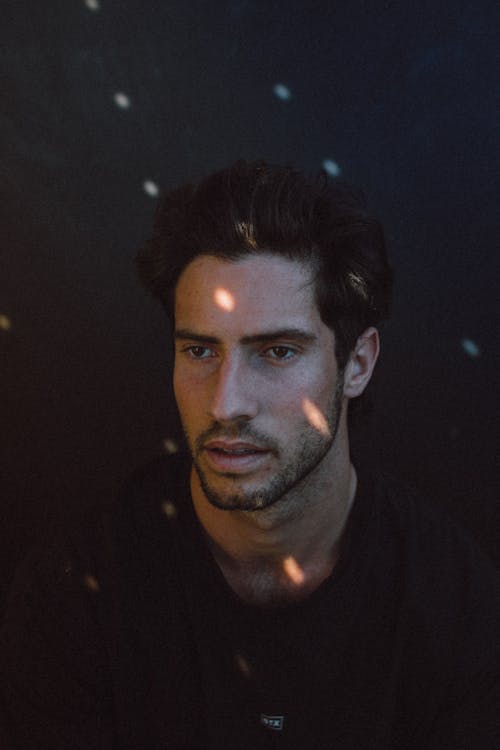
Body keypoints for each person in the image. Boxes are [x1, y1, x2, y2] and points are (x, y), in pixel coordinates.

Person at [1, 160, 499, 749]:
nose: (226, 404)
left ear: (358, 363)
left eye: (278, 352)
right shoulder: (77, 590)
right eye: (200, 352)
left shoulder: (457, 609)